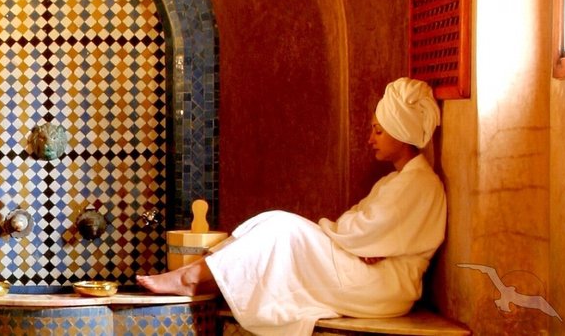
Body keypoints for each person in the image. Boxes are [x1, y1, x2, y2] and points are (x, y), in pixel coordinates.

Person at [137, 77, 447, 336]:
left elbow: (359, 231)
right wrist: (365, 243)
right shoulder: (397, 180)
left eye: (378, 131)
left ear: (401, 133)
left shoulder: (419, 184)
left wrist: (365, 243)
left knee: (282, 229)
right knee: (275, 223)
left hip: (382, 286)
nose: (370, 139)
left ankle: (192, 277)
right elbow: (360, 226)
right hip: (368, 272)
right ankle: (198, 275)